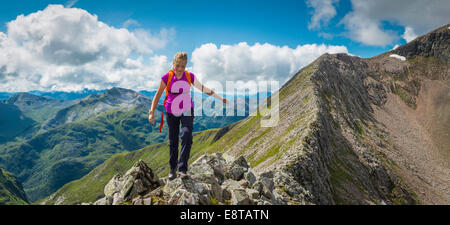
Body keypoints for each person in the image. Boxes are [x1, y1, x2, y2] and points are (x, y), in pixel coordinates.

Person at [148, 52, 229, 180]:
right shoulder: (166, 77)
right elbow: (158, 95)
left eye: (183, 66)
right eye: (178, 65)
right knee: (173, 141)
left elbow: (202, 88)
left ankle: (182, 169)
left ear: (186, 66)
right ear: (173, 64)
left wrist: (219, 98)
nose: (180, 69)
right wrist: (151, 112)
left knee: (186, 135)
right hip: (171, 111)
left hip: (187, 109)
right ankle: (172, 169)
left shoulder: (189, 76)